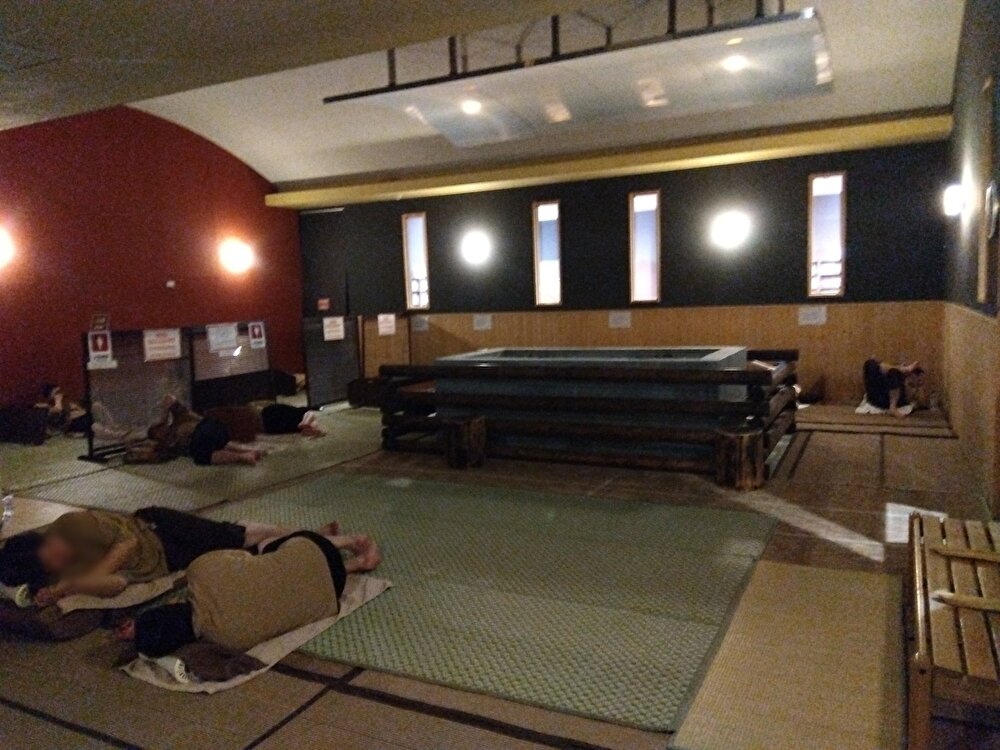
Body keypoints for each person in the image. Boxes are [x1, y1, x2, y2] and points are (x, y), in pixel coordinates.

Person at [0, 505, 379, 607]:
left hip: (158, 526)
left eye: (50, 552)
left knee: (241, 535)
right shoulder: (67, 572)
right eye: (50, 565)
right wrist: (70, 585)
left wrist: (88, 574)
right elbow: (115, 585)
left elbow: (127, 544)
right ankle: (321, 538)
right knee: (249, 544)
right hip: (170, 558)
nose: (57, 559)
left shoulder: (72, 524)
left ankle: (344, 541)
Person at [117, 529, 381, 657]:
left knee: (286, 580)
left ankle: (357, 564)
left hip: (332, 588)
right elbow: (246, 556)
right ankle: (347, 541)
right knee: (267, 547)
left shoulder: (227, 640)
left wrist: (144, 633)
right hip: (315, 550)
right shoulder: (201, 570)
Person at [147, 395, 264, 466]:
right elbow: (155, 454)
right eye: (158, 435)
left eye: (159, 429)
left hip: (208, 429)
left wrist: (163, 418)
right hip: (204, 443)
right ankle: (246, 454)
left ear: (162, 425)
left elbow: (169, 398)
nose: (161, 433)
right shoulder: (169, 444)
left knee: (208, 441)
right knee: (206, 454)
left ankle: (246, 452)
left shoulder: (180, 416)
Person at [862, 359, 928, 417]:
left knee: (894, 372)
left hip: (898, 402)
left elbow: (923, 402)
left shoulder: (917, 392)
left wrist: (919, 388)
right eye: (911, 385)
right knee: (870, 364)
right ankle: (903, 369)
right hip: (879, 398)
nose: (914, 390)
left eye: (918, 385)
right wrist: (901, 369)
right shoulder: (897, 380)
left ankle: (893, 407)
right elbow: (880, 367)